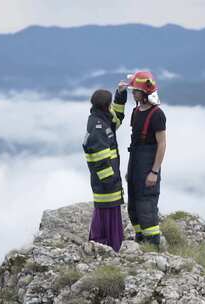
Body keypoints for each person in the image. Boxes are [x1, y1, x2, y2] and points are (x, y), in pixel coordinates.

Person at [82, 86, 127, 252]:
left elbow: (117, 119)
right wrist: (111, 181)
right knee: (107, 217)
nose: (111, 108)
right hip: (106, 184)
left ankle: (109, 246)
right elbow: (100, 160)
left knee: (109, 214)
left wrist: (120, 96)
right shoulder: (98, 127)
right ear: (105, 106)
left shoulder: (102, 119)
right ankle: (108, 248)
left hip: (107, 183)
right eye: (110, 105)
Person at [125, 71, 167, 248]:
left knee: (146, 207)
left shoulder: (157, 114)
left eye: (135, 90)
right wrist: (129, 170)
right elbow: (135, 143)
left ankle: (153, 247)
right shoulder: (136, 111)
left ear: (145, 93)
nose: (133, 93)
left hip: (148, 166)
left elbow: (162, 144)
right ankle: (140, 240)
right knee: (133, 206)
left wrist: (154, 172)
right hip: (135, 163)